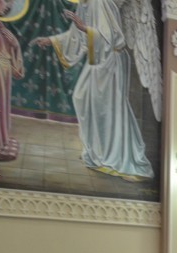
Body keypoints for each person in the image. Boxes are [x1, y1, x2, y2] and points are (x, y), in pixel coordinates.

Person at [31, 0, 153, 180]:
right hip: (97, 63)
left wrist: (84, 28)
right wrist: (51, 40)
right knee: (82, 97)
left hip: (109, 63)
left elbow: (110, 36)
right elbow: (76, 36)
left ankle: (112, 156)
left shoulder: (99, 3)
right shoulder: (84, 4)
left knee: (106, 110)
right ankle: (96, 151)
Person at [0, 0, 25, 165]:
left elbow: (17, 70)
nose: (8, 5)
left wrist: (15, 46)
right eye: (5, 0)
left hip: (1, 78)